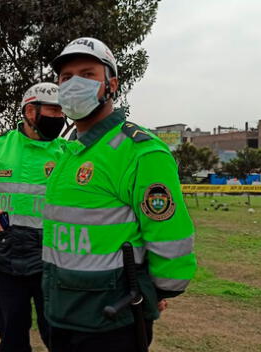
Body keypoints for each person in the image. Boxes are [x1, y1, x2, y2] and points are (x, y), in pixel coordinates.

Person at [41, 37, 197, 351]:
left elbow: (170, 236)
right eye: (66, 77)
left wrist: (159, 292)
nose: (74, 84)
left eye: (87, 74)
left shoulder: (140, 152)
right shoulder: (69, 153)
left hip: (112, 321)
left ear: (112, 84)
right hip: (61, 311)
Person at [0, 82, 67, 352]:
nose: (61, 118)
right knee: (11, 336)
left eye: (63, 111)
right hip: (5, 257)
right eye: (54, 110)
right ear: (31, 111)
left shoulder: (69, 153)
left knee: (61, 337)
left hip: (54, 259)